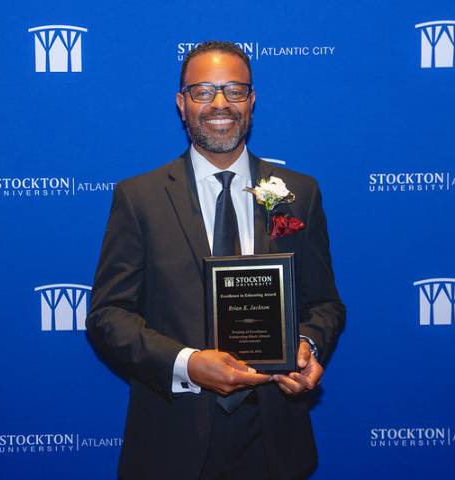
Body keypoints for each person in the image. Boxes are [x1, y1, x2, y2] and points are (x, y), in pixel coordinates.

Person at [86, 40, 345, 480]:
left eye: (234, 90)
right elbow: (108, 317)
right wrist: (187, 363)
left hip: (274, 440)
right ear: (182, 103)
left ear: (252, 100)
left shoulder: (299, 193)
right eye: (203, 91)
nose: (220, 104)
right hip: (172, 439)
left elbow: (324, 305)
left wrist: (306, 347)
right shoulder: (139, 198)